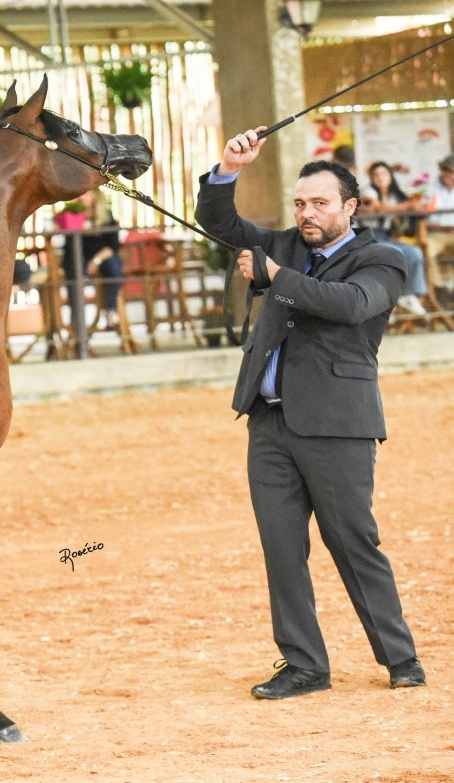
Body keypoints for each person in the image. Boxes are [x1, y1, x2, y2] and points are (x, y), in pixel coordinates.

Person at [197, 127, 424, 700]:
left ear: (350, 206)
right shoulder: (286, 245)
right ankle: (304, 665)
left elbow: (350, 306)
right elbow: (220, 225)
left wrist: (274, 276)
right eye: (300, 203)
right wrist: (228, 168)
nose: (307, 213)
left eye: (320, 203)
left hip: (339, 426)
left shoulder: (383, 259)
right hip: (268, 423)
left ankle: (400, 659)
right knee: (281, 550)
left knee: (353, 542)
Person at [358, 161, 428, 314]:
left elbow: (393, 214)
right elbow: (378, 208)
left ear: (390, 176)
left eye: (384, 174)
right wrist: (408, 206)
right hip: (367, 236)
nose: (380, 178)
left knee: (415, 252)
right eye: (376, 175)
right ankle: (397, 295)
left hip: (385, 236)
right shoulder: (369, 191)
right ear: (371, 178)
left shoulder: (395, 195)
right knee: (395, 252)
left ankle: (410, 294)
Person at [54, 189, 124, 329]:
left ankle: (110, 311)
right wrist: (73, 227)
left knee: (113, 267)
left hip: (101, 257)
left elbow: (113, 245)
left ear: (94, 196)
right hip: (78, 257)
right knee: (74, 270)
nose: (80, 197)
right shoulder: (71, 213)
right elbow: (67, 245)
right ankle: (77, 321)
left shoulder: (106, 217)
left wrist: (96, 261)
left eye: (85, 194)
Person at [423, 153, 454, 290]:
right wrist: (442, 228)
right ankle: (439, 287)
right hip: (435, 233)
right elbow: (422, 219)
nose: (448, 174)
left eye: (451, 171)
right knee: (427, 250)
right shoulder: (429, 189)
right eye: (445, 170)